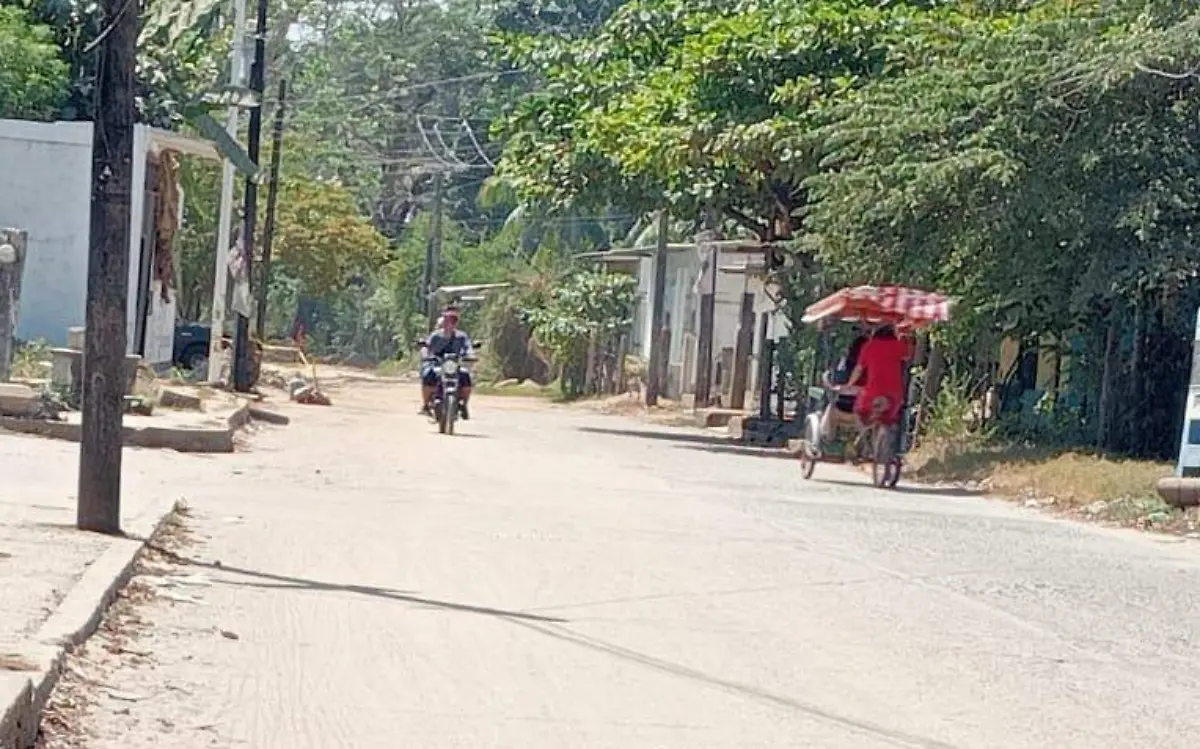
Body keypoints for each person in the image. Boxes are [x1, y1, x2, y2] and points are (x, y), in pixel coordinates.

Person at [847, 324, 911, 428]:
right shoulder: (897, 345)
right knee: (889, 420)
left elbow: (858, 369)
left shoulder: (869, 346)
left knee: (860, 411)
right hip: (894, 394)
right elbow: (908, 356)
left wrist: (849, 384)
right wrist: (905, 338)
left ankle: (863, 431)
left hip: (873, 391)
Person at [420, 306, 475, 418]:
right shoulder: (436, 335)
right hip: (437, 364)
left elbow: (468, 348)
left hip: (454, 365)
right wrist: (426, 355)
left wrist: (471, 355)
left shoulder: (462, 336)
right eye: (447, 319)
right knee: (427, 375)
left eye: (453, 320)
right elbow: (427, 347)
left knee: (466, 377)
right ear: (443, 321)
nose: (450, 323)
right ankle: (425, 404)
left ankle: (464, 404)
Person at [820, 328, 870, 439]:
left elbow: (832, 381)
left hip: (843, 410)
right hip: (864, 413)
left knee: (831, 407)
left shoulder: (846, 366)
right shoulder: (873, 369)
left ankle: (828, 438)